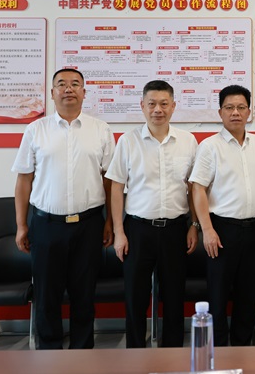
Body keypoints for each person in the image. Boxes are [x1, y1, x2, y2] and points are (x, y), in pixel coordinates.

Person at [12, 68, 115, 349]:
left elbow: (110, 181)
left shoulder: (101, 130)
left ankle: (82, 353)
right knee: (47, 294)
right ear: (52, 92)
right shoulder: (36, 130)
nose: (68, 89)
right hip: (46, 225)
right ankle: (49, 356)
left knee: (85, 293)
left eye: (75, 84)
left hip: (89, 224)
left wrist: (110, 222)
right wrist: (21, 225)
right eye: (61, 84)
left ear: (84, 92)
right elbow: (23, 181)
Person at [106, 80, 199, 348]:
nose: (158, 109)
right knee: (135, 296)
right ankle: (136, 353)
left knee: (174, 296)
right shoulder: (128, 141)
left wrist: (194, 225)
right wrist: (119, 232)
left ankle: (172, 353)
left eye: (164, 104)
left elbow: (194, 187)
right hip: (138, 229)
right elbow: (116, 187)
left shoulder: (188, 141)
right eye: (152, 104)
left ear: (173, 106)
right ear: (142, 106)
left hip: (175, 229)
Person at [190, 85, 255, 346]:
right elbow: (198, 189)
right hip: (222, 229)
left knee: (248, 294)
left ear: (249, 111)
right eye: (229, 108)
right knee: (218, 294)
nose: (235, 112)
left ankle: (243, 347)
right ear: (220, 112)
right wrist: (207, 230)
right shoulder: (209, 146)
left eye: (241, 107)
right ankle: (218, 350)